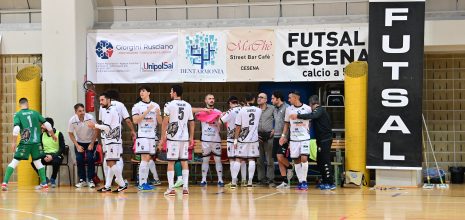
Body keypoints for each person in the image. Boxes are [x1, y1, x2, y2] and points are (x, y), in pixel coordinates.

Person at [2, 98, 57, 191]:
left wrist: (13, 142)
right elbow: (47, 124)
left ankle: (4, 183)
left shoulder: (18, 114)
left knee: (15, 161)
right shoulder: (35, 113)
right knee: (38, 162)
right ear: (27, 104)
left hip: (25, 143)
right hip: (36, 143)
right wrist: (53, 135)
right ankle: (44, 184)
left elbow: (16, 129)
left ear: (20, 105)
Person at [290, 95, 336, 190]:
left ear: (312, 104)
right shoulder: (318, 111)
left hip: (325, 139)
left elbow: (313, 116)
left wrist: (298, 116)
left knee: (325, 161)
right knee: (320, 161)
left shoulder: (319, 109)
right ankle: (324, 181)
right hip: (320, 140)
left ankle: (331, 183)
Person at [159, 85, 194, 196]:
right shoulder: (188, 105)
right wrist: (191, 137)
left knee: (171, 162)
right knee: (184, 161)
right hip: (184, 137)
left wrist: (162, 137)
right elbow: (192, 122)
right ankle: (185, 188)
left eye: (171, 91)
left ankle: (171, 188)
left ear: (174, 93)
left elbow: (165, 122)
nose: (170, 93)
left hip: (173, 137)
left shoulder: (169, 105)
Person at [88, 92, 127, 193]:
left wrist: (94, 125)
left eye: (102, 100)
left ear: (109, 100)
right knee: (110, 162)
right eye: (100, 100)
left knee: (110, 162)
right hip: (113, 139)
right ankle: (108, 186)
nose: (100, 102)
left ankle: (121, 183)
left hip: (113, 140)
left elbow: (106, 127)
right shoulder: (110, 110)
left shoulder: (110, 111)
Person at [101, 89, 136, 184]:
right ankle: (119, 179)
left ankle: (108, 183)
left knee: (107, 157)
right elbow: (127, 120)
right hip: (115, 135)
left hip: (104, 134)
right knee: (118, 157)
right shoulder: (120, 105)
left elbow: (102, 121)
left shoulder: (102, 106)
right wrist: (132, 130)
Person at [279, 91, 312, 191]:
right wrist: (283, 136)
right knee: (296, 160)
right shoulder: (289, 109)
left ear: (295, 98)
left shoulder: (307, 108)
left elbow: (310, 121)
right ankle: (301, 181)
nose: (288, 100)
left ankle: (304, 181)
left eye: (290, 98)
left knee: (304, 158)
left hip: (304, 138)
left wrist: (307, 130)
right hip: (294, 139)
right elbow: (286, 124)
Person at [132, 85, 163, 191]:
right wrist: (147, 111)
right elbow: (135, 121)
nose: (141, 93)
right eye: (140, 91)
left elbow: (160, 122)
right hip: (143, 135)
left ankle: (144, 182)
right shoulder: (137, 106)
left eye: (143, 91)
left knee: (147, 159)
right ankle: (142, 183)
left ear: (149, 93)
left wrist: (158, 114)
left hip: (152, 136)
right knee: (144, 159)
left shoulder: (156, 105)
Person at [230, 93, 262, 189]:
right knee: (252, 159)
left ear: (245, 99)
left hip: (243, 138)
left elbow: (238, 127)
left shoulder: (241, 110)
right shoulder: (259, 110)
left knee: (238, 159)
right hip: (254, 139)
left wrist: (235, 139)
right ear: (254, 99)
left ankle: (233, 182)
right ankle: (250, 182)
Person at [193, 94, 224, 187]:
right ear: (205, 100)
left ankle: (220, 180)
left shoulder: (218, 112)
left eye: (213, 98)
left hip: (216, 139)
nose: (211, 100)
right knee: (205, 160)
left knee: (218, 160)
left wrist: (218, 120)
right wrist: (205, 111)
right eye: (209, 99)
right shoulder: (202, 112)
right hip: (205, 140)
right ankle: (203, 180)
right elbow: (194, 114)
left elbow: (221, 125)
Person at [68, 103, 99, 188]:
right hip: (80, 142)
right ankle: (82, 180)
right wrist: (77, 145)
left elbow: (96, 130)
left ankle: (90, 179)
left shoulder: (90, 118)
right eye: (80, 111)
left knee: (90, 158)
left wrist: (92, 143)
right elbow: (70, 133)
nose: (82, 112)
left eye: (83, 110)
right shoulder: (72, 120)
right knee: (79, 159)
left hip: (91, 141)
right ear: (76, 112)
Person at [220, 96, 247, 187]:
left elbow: (220, 121)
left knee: (232, 159)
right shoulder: (244, 109)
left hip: (232, 138)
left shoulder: (230, 111)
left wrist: (222, 115)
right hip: (243, 137)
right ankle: (244, 181)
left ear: (230, 103)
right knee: (242, 159)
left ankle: (234, 181)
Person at [31, 117, 65, 188]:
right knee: (34, 162)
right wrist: (44, 156)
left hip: (56, 155)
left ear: (48, 125)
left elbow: (62, 148)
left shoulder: (59, 134)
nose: (41, 126)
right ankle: (45, 180)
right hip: (45, 155)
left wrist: (52, 156)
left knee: (56, 161)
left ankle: (53, 179)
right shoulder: (42, 135)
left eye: (43, 125)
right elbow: (40, 149)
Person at [271, 91, 293, 189]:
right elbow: (278, 122)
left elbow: (288, 124)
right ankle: (284, 181)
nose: (271, 100)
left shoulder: (287, 108)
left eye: (272, 98)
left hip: (284, 137)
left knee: (280, 157)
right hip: (276, 136)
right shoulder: (274, 109)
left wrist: (286, 137)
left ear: (278, 98)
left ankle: (290, 167)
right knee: (279, 160)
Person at [256, 93, 275, 186]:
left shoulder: (272, 108)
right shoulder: (255, 110)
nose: (259, 99)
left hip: (269, 136)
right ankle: (261, 179)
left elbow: (279, 119)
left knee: (269, 159)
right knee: (259, 160)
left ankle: (270, 179)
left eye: (261, 97)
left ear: (266, 99)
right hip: (257, 136)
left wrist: (274, 130)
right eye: (258, 97)